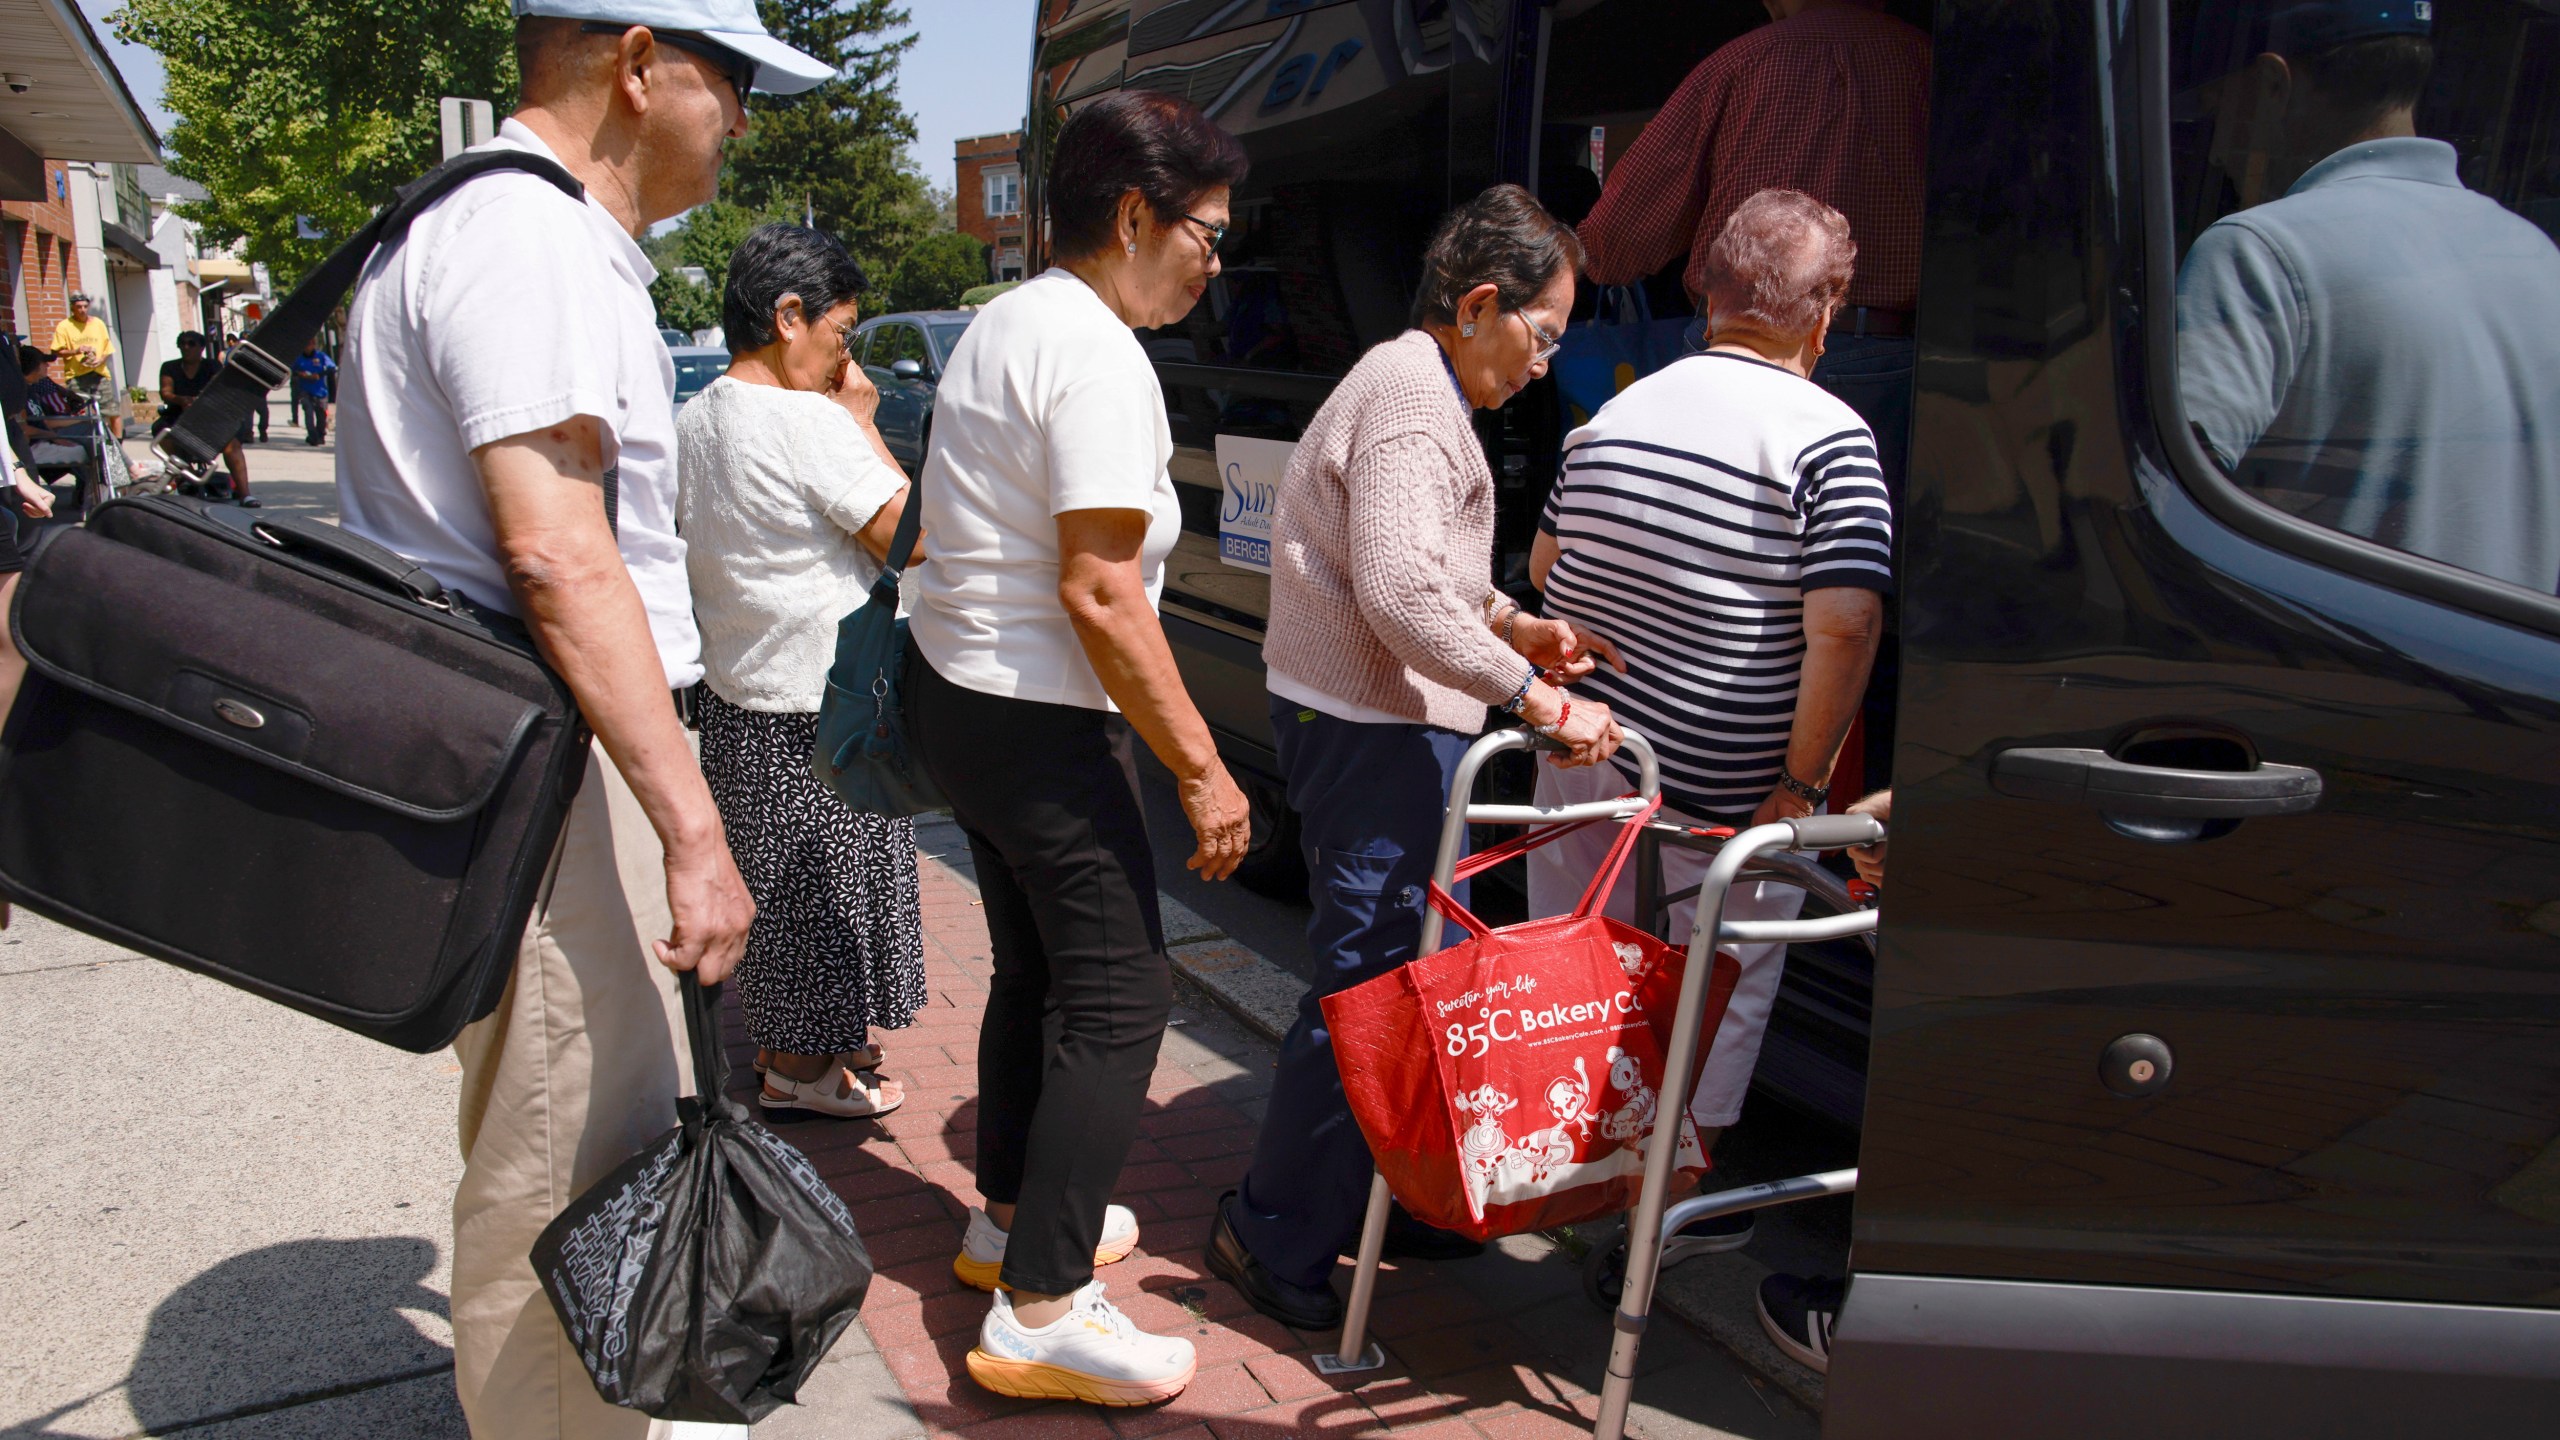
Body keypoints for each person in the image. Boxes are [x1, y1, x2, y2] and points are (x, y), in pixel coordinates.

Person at [332, 5, 828, 1436]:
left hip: (549, 744)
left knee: (573, 1127)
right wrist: (689, 824)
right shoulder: (532, 235)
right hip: (554, 755)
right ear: (635, 62)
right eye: (733, 79)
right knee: (567, 1156)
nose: (744, 115)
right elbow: (555, 552)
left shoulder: (520, 228)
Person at [1207, 183, 1628, 1331]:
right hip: (1372, 729)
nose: (1544, 365)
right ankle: (1271, 1230)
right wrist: (1536, 699)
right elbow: (1395, 589)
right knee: (1375, 989)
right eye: (1541, 337)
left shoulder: (1421, 386)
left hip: (1384, 723)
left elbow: (1424, 571)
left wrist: (1510, 619)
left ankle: (1407, 1203)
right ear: (1479, 303)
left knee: (1420, 977)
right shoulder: (1409, 393)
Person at [904, 88, 1250, 1407]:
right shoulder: (1098, 352)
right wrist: (1202, 764)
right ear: (1131, 215)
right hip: (1045, 718)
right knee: (1122, 997)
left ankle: (1006, 1225)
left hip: (968, 702)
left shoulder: (1006, 323)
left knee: (1042, 972)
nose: (1212, 267)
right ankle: (1046, 1305)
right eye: (1207, 238)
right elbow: (1102, 591)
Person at [1530, 188, 1891, 1253]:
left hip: (1584, 757)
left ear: (1709, 298)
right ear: (1825, 314)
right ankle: (1670, 1206)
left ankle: (1567, 1152)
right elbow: (1846, 626)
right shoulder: (1829, 437)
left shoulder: (1613, 416)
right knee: (1719, 985)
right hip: (1719, 796)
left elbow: (1550, 572)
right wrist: (1803, 785)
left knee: (1583, 956)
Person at [1577, 0, 1927, 794]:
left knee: (1714, 588)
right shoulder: (1925, 63)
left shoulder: (1742, 64)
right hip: (1901, 360)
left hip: (1744, 348)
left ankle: (1697, 787)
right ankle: (1857, 815)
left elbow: (1615, 242)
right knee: (1865, 606)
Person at [2177, 0, 2560, 592]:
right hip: (2502, 674)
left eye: (2216, 108)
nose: (2215, 148)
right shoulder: (2538, 258)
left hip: (2322, 666)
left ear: (2275, 86)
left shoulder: (2260, 248)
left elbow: (2170, 509)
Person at [677, 223, 925, 1122]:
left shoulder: (697, 417)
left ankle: (809, 1051)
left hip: (740, 693)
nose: (842, 355)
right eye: (841, 331)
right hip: (824, 701)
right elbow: (914, 535)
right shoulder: (805, 419)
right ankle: (802, 1072)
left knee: (782, 894)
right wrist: (860, 421)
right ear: (789, 317)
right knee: (826, 897)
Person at [156, 332, 253, 500]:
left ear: (201, 348)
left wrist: (202, 401)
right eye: (182, 343)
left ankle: (245, 494)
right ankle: (190, 474)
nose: (186, 347)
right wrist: (181, 400)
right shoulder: (169, 367)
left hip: (210, 416)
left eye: (191, 343)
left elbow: (219, 389)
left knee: (232, 445)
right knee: (160, 431)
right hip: (178, 415)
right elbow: (166, 392)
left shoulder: (212, 365)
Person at [49, 293, 118, 435]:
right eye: (79, 307)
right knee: (82, 414)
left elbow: (107, 348)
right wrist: (76, 351)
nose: (82, 310)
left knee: (113, 412)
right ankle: (90, 443)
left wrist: (101, 359)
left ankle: (118, 444)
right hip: (76, 376)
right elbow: (56, 352)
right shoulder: (64, 326)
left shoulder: (98, 323)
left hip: (99, 374)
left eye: (85, 306)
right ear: (72, 308)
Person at [291, 338, 337, 445]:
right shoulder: (299, 358)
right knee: (308, 413)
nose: (308, 347)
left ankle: (320, 435)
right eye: (306, 344)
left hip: (320, 391)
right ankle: (312, 436)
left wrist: (319, 375)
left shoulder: (321, 356)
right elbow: (291, 370)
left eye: (311, 344)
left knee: (321, 416)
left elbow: (332, 368)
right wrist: (300, 374)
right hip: (305, 391)